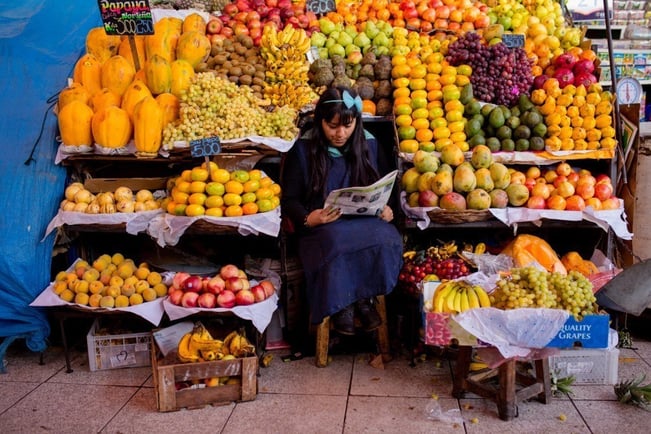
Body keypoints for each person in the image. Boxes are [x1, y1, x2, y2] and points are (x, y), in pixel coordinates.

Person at [281, 86, 403, 336]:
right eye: (332, 125)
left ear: (356, 122)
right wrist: (308, 218)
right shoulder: (303, 150)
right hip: (321, 228)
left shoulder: (369, 144)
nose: (340, 133)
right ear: (320, 121)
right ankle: (343, 304)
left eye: (347, 126)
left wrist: (386, 209)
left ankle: (361, 300)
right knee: (336, 241)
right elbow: (289, 198)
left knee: (387, 238)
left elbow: (383, 186)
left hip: (364, 221)